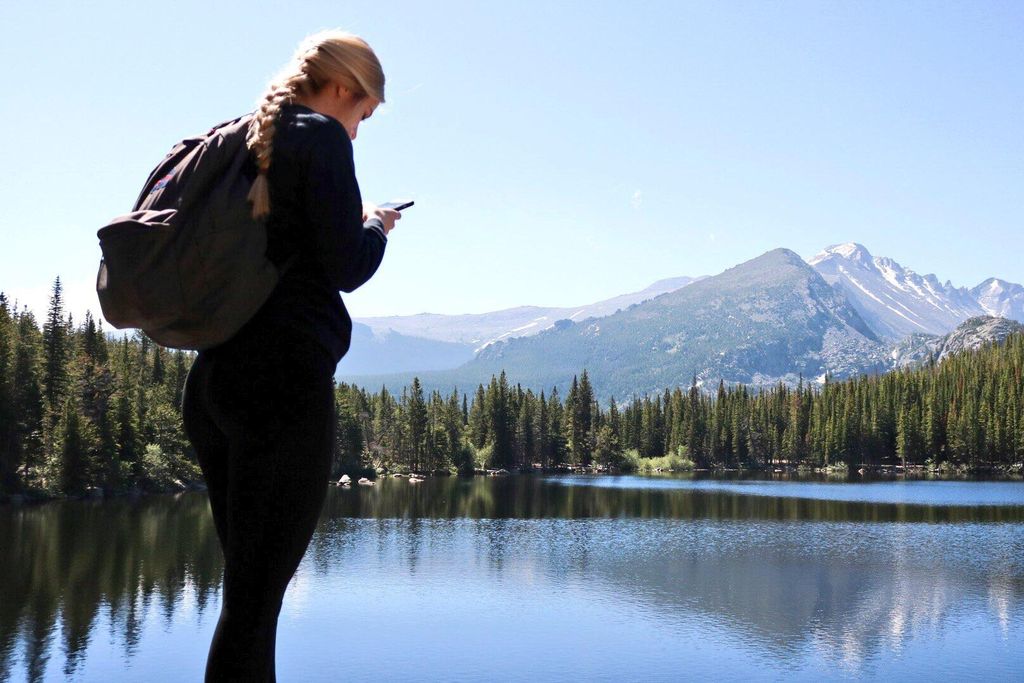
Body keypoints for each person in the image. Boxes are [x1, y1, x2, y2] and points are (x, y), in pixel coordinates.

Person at [181, 29, 399, 682]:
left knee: (248, 597)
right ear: (340, 88)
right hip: (282, 391)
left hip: (214, 384)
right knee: (255, 602)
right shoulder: (321, 137)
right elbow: (345, 265)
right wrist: (374, 227)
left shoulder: (248, 135)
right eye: (362, 114)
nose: (357, 132)